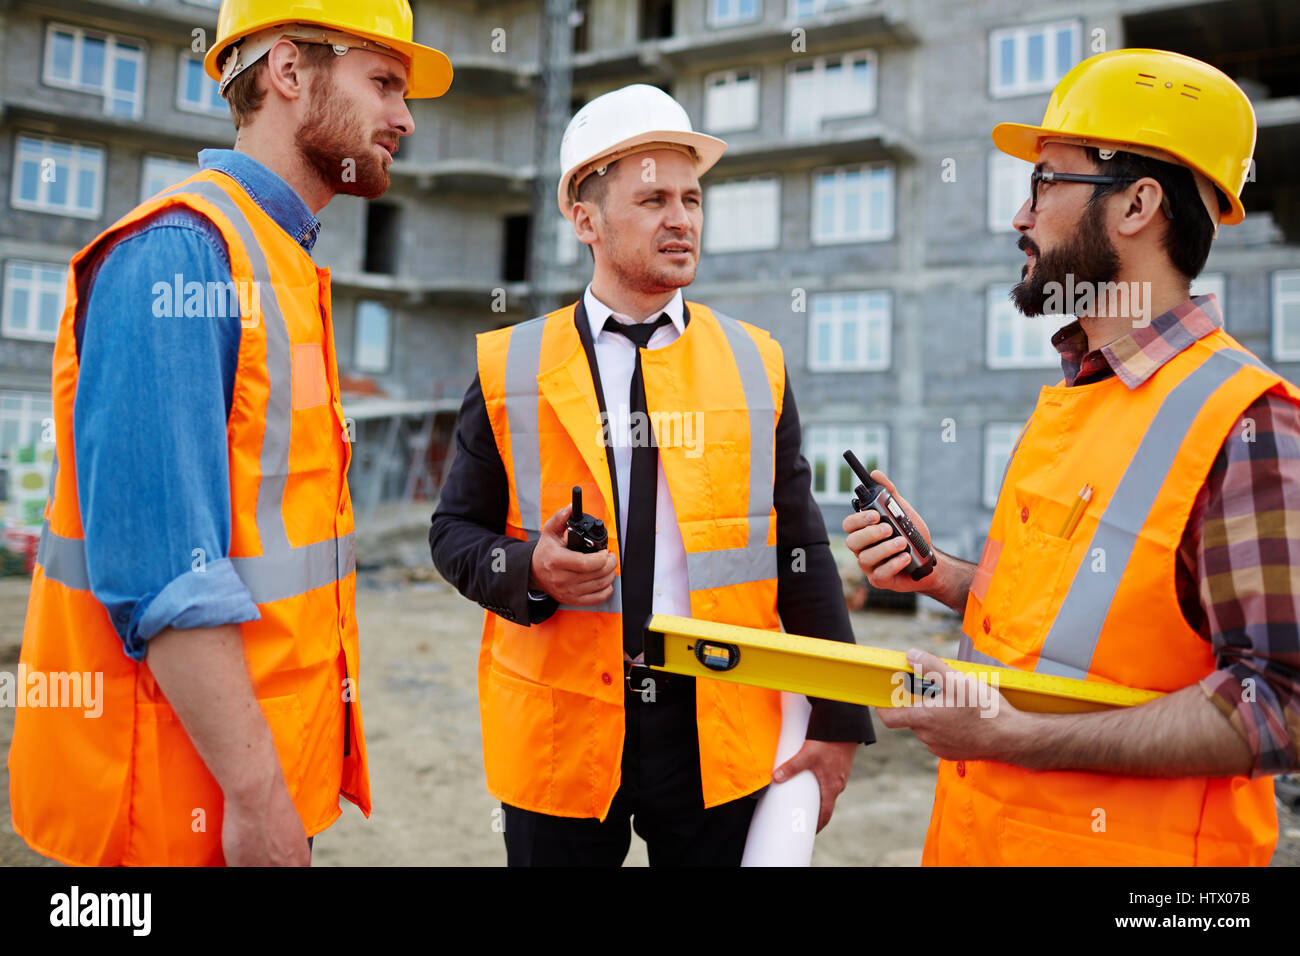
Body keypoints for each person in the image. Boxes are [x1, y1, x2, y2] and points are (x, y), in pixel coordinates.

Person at [8, 0, 451, 866]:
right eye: (384, 83)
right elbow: (170, 575)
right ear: (290, 72)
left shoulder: (277, 259)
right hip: (168, 812)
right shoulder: (180, 252)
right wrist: (254, 800)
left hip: (244, 790)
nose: (403, 119)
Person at [846, 48, 1300, 866]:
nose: (1020, 218)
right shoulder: (1081, 391)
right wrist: (943, 576)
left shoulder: (1245, 422)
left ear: (1137, 205)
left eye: (1044, 183)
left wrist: (1014, 736)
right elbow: (1086, 626)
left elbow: (1282, 705)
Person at [430, 84, 874, 866]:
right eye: (653, 198)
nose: (683, 219)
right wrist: (528, 565)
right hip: (562, 723)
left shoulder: (753, 362)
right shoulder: (510, 365)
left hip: (719, 722)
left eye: (692, 198)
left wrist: (838, 721)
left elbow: (800, 549)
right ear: (586, 220)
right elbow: (453, 534)